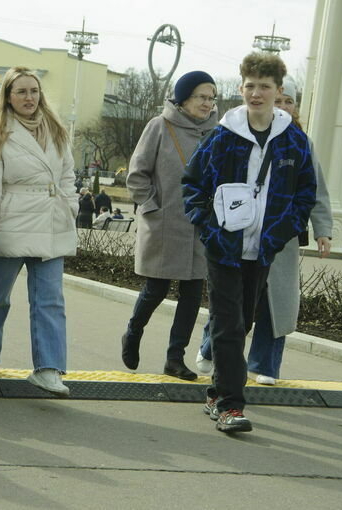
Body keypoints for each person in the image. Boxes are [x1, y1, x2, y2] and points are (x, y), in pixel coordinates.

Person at [182, 53, 316, 433]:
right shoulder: (224, 135)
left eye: (265, 87)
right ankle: (231, 405)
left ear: (278, 91)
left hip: (264, 249)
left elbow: (306, 191)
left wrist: (281, 230)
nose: (257, 93)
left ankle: (215, 392)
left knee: (243, 324)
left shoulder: (293, 139)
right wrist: (209, 227)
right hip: (223, 248)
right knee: (227, 324)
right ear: (241, 89)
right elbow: (192, 185)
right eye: (250, 86)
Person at [195, 76, 333, 386]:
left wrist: (322, 229)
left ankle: (266, 365)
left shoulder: (300, 142)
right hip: (238, 234)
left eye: (289, 102)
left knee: (276, 304)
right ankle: (210, 349)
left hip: (279, 239)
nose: (283, 106)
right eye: (281, 100)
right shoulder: (234, 133)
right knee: (234, 301)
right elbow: (199, 181)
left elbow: (315, 191)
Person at [0, 66, 78, 397]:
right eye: (21, 91)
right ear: (8, 97)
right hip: (12, 225)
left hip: (50, 224)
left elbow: (68, 177)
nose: (29, 97)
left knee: (50, 300)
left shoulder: (57, 130)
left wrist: (70, 206)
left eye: (33, 91)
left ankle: (48, 370)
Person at [121, 71, 219, 381]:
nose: (208, 103)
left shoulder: (218, 133)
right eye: (202, 96)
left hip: (202, 227)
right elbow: (136, 175)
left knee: (192, 294)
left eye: (212, 97)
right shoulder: (159, 127)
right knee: (156, 288)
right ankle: (133, 331)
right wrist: (153, 207)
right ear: (185, 97)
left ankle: (174, 359)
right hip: (165, 223)